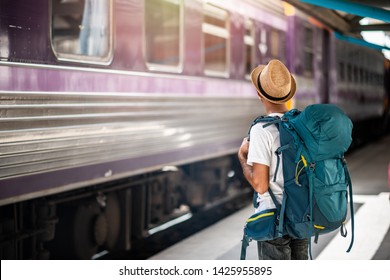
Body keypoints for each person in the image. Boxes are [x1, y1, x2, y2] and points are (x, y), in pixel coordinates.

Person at [237, 59, 308, 260]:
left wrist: (242, 157)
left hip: (275, 220)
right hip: (301, 216)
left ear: (260, 94)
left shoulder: (261, 130)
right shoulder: (300, 124)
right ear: (288, 95)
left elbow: (260, 185)